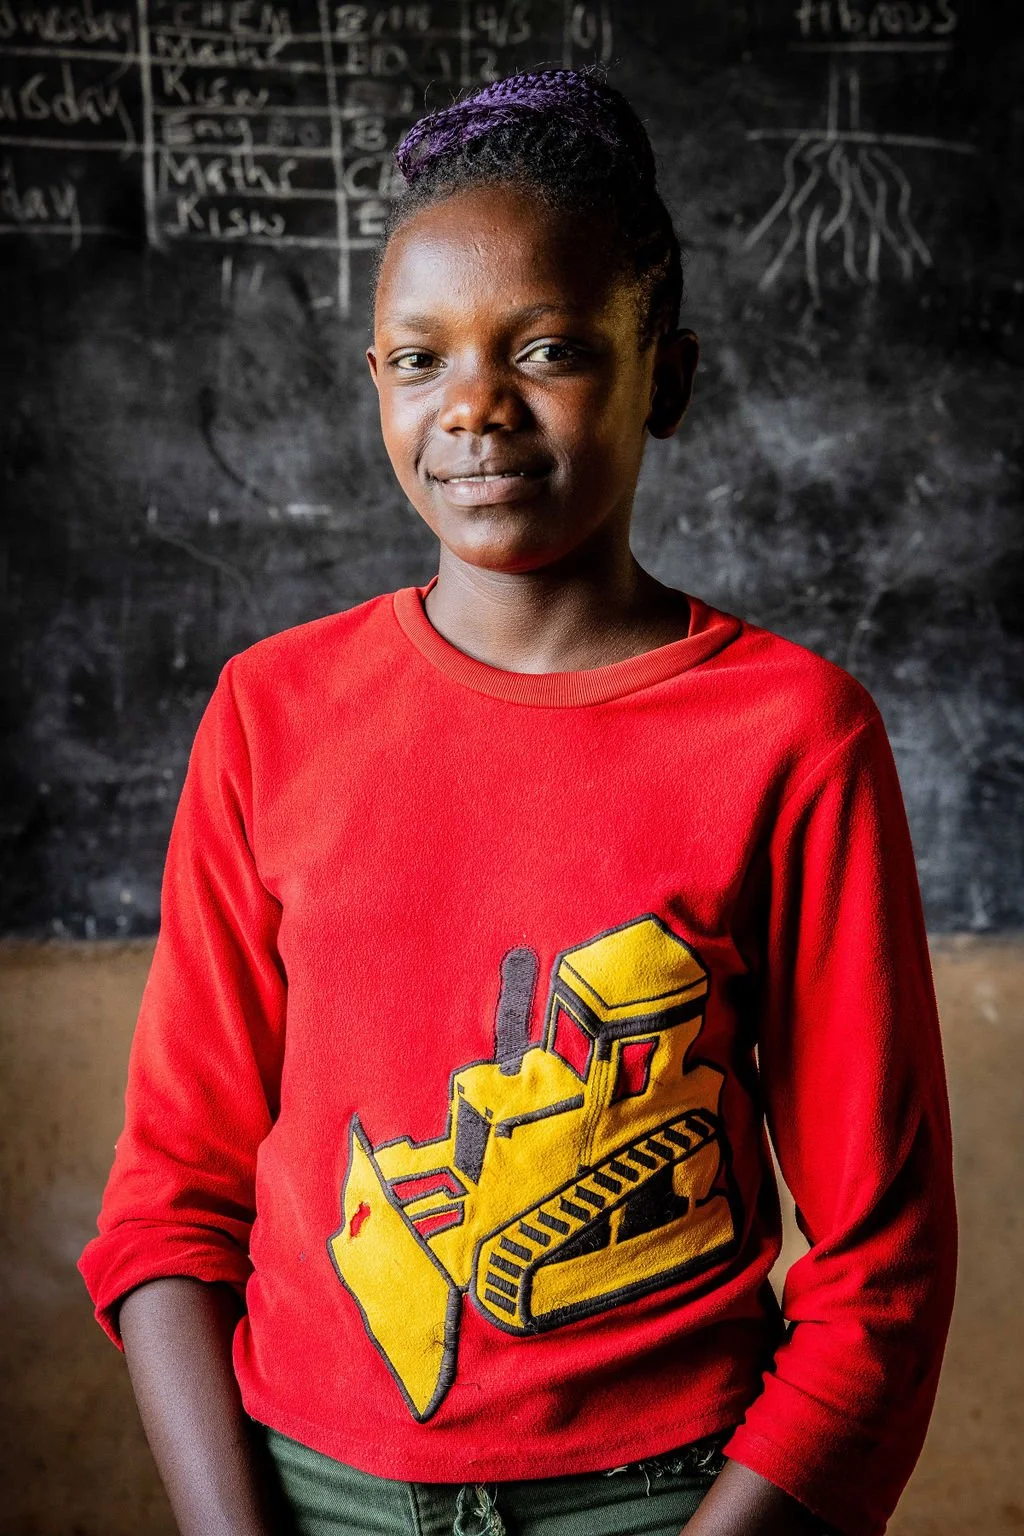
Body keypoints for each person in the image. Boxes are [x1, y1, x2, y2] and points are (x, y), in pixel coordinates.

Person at [79, 69, 957, 1536]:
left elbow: (883, 1265)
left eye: (546, 348)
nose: (475, 405)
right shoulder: (270, 714)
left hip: (669, 1503)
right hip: (297, 1495)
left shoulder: (792, 736)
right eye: (420, 359)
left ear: (663, 372)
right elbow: (172, 1195)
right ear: (375, 384)